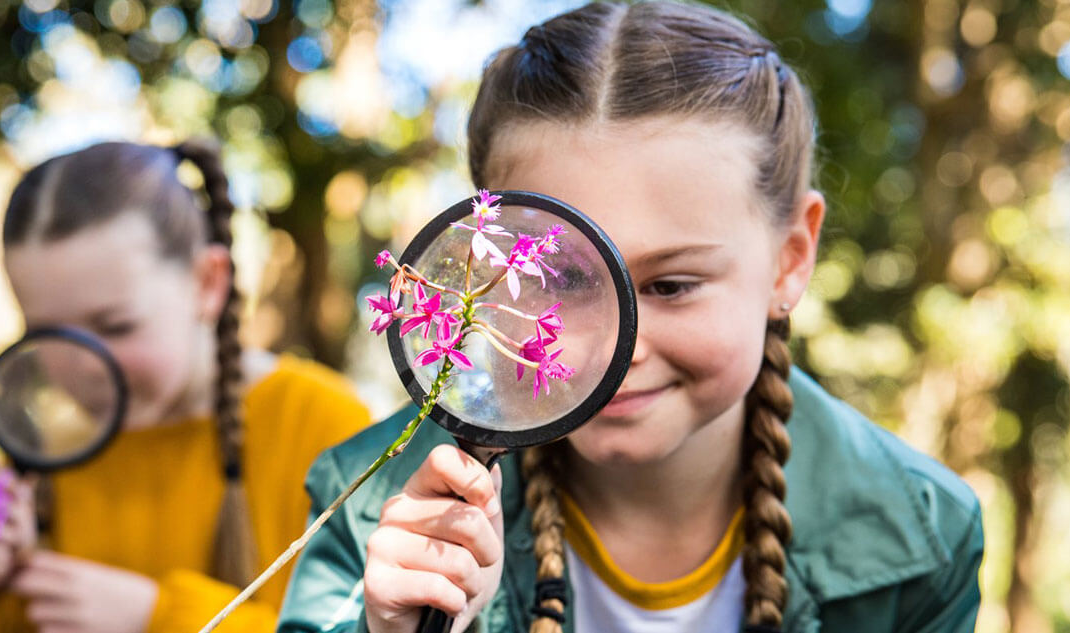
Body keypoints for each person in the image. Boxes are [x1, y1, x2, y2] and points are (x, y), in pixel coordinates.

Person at [278, 3, 983, 632]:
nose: (618, 346)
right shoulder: (373, 508)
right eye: (557, 279)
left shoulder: (926, 535)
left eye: (673, 284)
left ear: (790, 261)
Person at [0, 140, 371, 633]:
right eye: (47, 335)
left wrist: (160, 617)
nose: (83, 366)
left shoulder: (322, 425)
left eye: (116, 327)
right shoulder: (43, 450)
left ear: (208, 283)